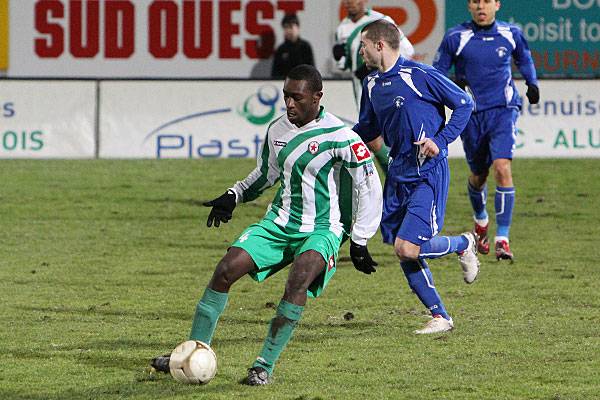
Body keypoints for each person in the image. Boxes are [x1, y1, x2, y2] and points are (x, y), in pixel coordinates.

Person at [151, 65, 383, 384]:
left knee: (297, 281)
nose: (289, 104)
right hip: (279, 223)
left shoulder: (342, 136)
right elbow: (265, 174)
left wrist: (360, 239)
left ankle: (263, 366)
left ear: (317, 97)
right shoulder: (277, 129)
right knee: (225, 270)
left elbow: (369, 185)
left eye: (297, 98)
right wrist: (234, 195)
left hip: (322, 229)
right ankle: (191, 351)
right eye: (286, 96)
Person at [353, 20, 480, 334]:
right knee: (401, 248)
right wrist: (335, 137)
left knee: (408, 247)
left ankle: (463, 243)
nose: (360, 52)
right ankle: (440, 316)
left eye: (363, 46)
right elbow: (367, 129)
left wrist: (440, 140)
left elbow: (464, 103)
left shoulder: (420, 75)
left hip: (427, 172)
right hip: (398, 172)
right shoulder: (370, 84)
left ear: (380, 45)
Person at [432, 0, 540, 261]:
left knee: (502, 167)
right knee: (478, 175)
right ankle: (481, 221)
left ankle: (502, 239)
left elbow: (524, 58)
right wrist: (451, 84)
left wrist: (532, 82)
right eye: (476, 1)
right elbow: (437, 72)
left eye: (487, 1)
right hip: (471, 115)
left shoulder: (511, 33)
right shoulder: (456, 37)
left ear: (497, 5)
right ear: (469, 6)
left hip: (503, 110)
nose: (481, 6)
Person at [333, 0, 414, 176]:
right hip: (362, 91)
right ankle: (396, 179)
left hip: (387, 88)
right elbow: (344, 65)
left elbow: (407, 50)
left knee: (385, 137)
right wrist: (340, 56)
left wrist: (375, 66)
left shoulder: (382, 21)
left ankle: (401, 178)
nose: (349, 3)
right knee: (373, 138)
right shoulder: (342, 29)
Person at [271, 14, 315, 79]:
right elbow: (275, 73)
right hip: (285, 85)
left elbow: (311, 71)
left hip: (303, 84)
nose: (288, 30)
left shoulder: (305, 47)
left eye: (291, 27)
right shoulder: (281, 49)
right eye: (286, 27)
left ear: (298, 27)